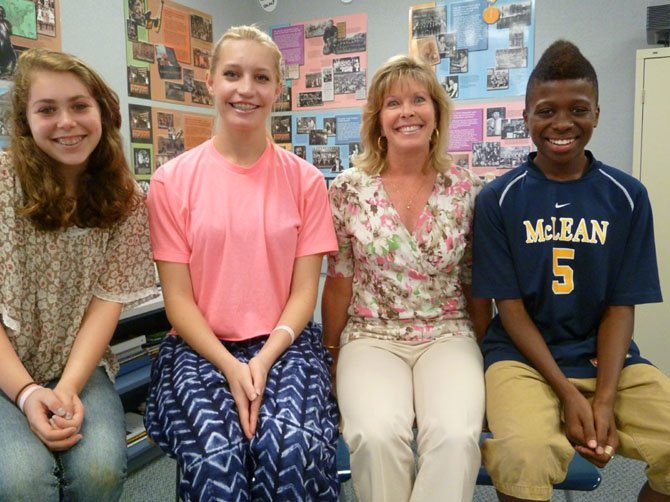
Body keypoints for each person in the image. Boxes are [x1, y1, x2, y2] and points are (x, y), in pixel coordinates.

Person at [144, 25, 339, 501]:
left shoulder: (307, 182)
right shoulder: (171, 183)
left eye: (261, 77)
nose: (246, 89)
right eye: (232, 74)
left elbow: (302, 294)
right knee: (218, 454)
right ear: (210, 82)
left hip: (286, 344)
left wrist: (264, 359)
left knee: (289, 446)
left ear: (277, 88)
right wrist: (232, 367)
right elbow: (179, 302)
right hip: (198, 348)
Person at [473, 40, 670, 502]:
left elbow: (622, 306)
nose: (562, 123)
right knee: (525, 453)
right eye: (546, 111)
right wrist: (568, 396)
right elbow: (511, 308)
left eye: (578, 109)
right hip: (522, 360)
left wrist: (603, 399)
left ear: (597, 114)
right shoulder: (498, 199)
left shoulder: (628, 196)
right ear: (525, 118)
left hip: (604, 357)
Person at [322, 55, 491, 502]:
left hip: (448, 333)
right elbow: (338, 281)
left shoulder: (467, 190)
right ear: (379, 119)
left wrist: (487, 352)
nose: (407, 111)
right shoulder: (347, 190)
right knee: (377, 436)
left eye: (419, 99)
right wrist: (333, 355)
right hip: (370, 336)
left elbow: (476, 282)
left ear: (436, 112)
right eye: (393, 103)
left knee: (455, 437)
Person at [0, 48, 157, 500]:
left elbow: (107, 301)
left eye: (79, 106)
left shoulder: (125, 198)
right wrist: (28, 394)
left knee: (100, 472)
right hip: (6, 366)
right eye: (47, 109)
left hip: (77, 364)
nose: (66, 122)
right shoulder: (5, 183)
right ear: (25, 122)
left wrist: (67, 388)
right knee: (23, 482)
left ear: (103, 112)